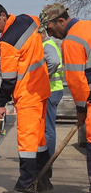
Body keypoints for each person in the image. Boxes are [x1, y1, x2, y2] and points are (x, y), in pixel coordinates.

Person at [0, 2, 51, 193]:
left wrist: (0, 103)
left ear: (3, 16)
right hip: (42, 89)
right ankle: (43, 180)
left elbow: (9, 78)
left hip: (28, 94)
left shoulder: (7, 42)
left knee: (27, 141)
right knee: (39, 140)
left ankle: (26, 186)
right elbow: (41, 28)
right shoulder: (29, 20)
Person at [40, 3, 91, 193]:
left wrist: (81, 110)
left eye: (50, 29)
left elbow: (78, 81)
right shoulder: (88, 26)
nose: (50, 34)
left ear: (61, 21)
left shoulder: (70, 42)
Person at [39, 26, 64, 156]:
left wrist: (43, 77)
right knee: (47, 128)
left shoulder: (47, 45)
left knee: (48, 130)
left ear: (42, 33)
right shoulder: (49, 45)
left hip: (51, 90)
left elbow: (54, 62)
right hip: (53, 90)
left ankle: (47, 162)